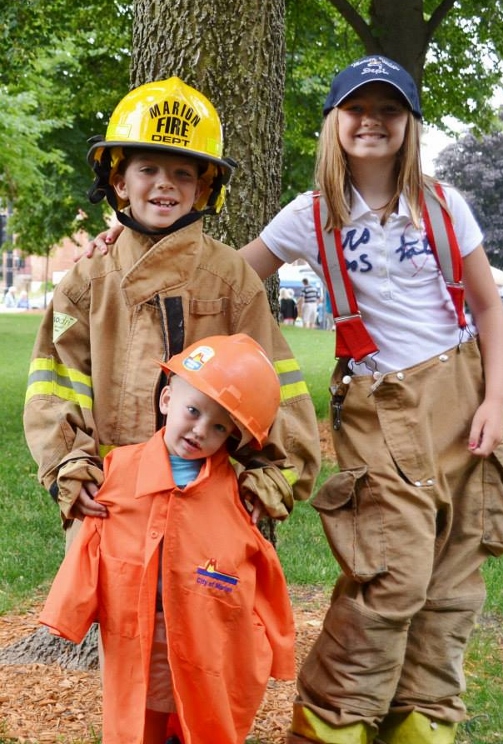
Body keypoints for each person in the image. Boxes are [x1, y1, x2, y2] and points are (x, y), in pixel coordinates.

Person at [81, 56, 503, 742]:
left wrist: (494, 403)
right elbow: (229, 277)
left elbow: (488, 310)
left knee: (453, 577)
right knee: (393, 572)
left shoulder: (442, 205)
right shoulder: (310, 214)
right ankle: (332, 720)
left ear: (409, 125)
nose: (371, 123)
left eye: (388, 111)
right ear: (333, 122)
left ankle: (422, 720)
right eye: (356, 109)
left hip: (462, 393)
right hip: (381, 403)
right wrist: (134, 238)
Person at [23, 76, 320, 545]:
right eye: (148, 170)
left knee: (201, 613)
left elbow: (272, 385)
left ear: (204, 189)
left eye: (183, 173)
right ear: (118, 181)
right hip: (109, 500)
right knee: (111, 615)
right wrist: (69, 462)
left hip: (208, 500)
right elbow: (57, 382)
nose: (166, 183)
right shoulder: (86, 281)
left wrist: (275, 475)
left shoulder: (231, 280)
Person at [39, 334, 296, 744]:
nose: (199, 430)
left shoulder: (237, 494)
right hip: (139, 634)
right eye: (192, 410)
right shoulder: (121, 470)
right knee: (139, 717)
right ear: (166, 402)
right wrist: (68, 613)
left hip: (202, 637)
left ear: (230, 437)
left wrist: (277, 645)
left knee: (197, 714)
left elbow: (262, 573)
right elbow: (92, 541)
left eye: (217, 427)